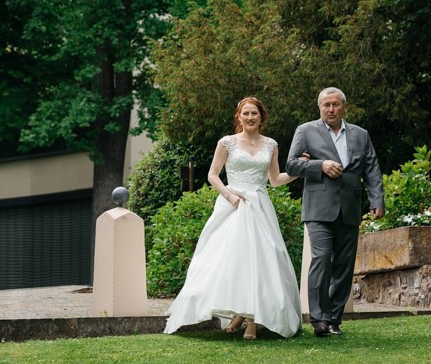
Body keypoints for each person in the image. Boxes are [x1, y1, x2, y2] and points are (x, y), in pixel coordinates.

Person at [164, 97, 302, 340]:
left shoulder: (271, 145)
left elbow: (275, 179)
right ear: (239, 117)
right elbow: (213, 175)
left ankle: (251, 320)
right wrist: (229, 195)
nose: (250, 118)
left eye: (254, 114)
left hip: (259, 206)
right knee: (231, 260)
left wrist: (300, 169)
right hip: (233, 205)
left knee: (263, 258)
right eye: (246, 113)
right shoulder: (227, 143)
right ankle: (242, 314)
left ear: (261, 117)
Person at [286, 87, 384, 338]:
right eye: (326, 105)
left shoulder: (361, 135)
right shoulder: (306, 131)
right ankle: (318, 318)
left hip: (350, 207)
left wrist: (377, 199)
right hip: (318, 208)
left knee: (344, 265)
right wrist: (320, 165)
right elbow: (291, 164)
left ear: (344, 107)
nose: (331, 109)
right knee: (322, 258)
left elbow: (371, 168)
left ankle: (334, 318)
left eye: (335, 105)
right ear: (319, 107)